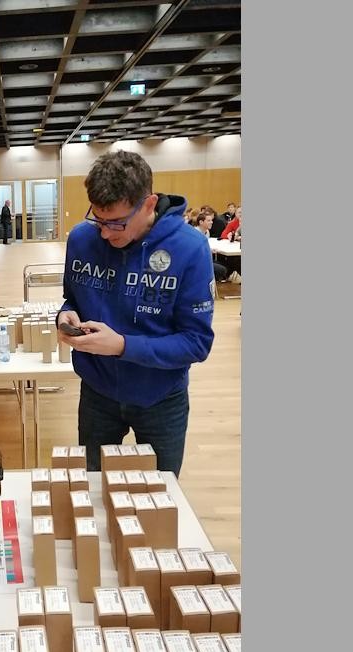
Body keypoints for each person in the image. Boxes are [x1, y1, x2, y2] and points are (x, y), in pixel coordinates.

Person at [57, 150, 215, 476]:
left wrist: (122, 346)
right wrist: (65, 315)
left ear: (148, 204)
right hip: (97, 392)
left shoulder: (189, 248)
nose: (105, 232)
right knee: (92, 486)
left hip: (161, 397)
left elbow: (196, 342)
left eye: (116, 222)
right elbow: (72, 300)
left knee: (161, 491)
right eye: (98, 219)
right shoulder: (82, 239)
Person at [194, 210, 228, 282]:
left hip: (204, 258)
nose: (211, 222)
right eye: (208, 221)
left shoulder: (207, 232)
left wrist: (210, 250)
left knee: (225, 264)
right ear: (201, 222)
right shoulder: (195, 233)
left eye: (211, 220)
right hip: (198, 261)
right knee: (222, 270)